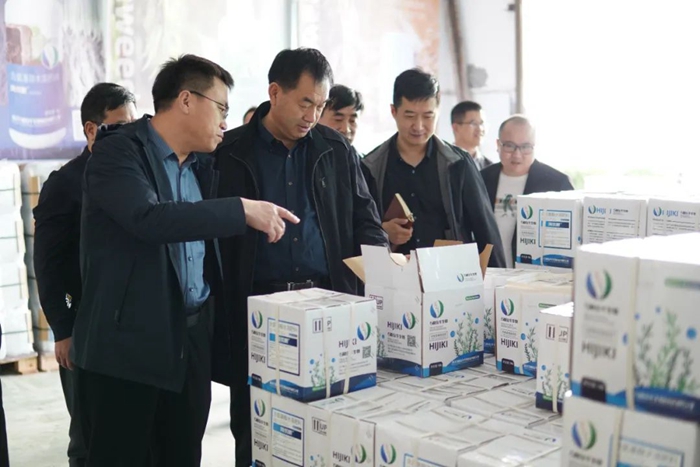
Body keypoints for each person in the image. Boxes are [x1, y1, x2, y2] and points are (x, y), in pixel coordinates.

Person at [70, 54, 298, 467]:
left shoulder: (201, 165)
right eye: (222, 108)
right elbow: (149, 218)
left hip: (189, 342)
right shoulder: (118, 154)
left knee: (182, 455)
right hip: (127, 349)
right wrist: (241, 210)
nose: (225, 121)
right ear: (187, 100)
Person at [213, 47, 387, 467]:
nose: (313, 115)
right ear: (274, 93)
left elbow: (366, 220)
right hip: (257, 312)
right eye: (305, 103)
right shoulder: (229, 151)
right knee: (256, 431)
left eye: (321, 105)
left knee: (326, 430)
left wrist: (381, 269)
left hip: (327, 307)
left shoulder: (335, 149)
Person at [33, 83, 137, 467]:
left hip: (131, 324)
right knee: (89, 436)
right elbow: (47, 265)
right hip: (85, 324)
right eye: (120, 127)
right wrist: (63, 330)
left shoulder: (134, 176)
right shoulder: (65, 184)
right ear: (92, 129)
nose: (130, 136)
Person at [362, 68, 505, 265]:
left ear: (438, 112)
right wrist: (383, 232)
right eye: (410, 116)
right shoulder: (371, 167)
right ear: (393, 112)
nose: (419, 126)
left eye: (428, 116)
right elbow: (357, 231)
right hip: (395, 276)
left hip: (450, 274)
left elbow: (485, 229)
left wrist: (498, 278)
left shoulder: (458, 164)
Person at [480, 115, 574, 267]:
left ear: (535, 146)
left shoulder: (557, 183)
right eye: (509, 145)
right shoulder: (481, 179)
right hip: (491, 272)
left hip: (539, 273)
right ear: (498, 144)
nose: (517, 154)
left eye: (525, 147)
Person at [451, 100, 493, 170]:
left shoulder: (490, 167)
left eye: (482, 123)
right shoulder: (443, 162)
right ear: (456, 128)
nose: (480, 129)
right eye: (473, 123)